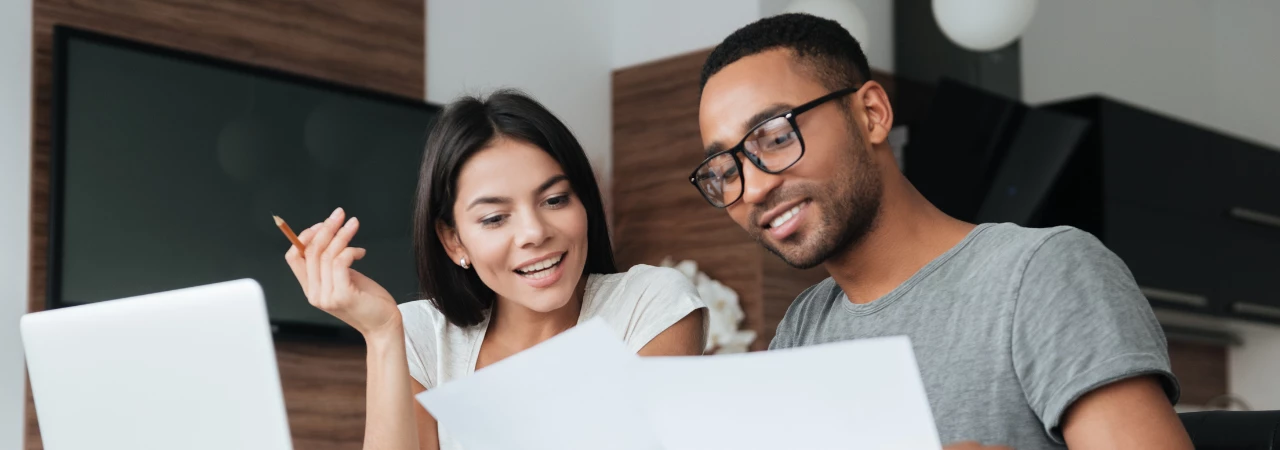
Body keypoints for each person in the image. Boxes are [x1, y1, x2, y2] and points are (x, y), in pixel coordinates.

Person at [691, 13, 1192, 449]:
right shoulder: (804, 327)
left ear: (871, 115)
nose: (754, 189)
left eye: (777, 137)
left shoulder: (1042, 272)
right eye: (726, 170)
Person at [285, 90, 708, 450]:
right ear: (454, 241)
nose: (534, 232)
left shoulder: (650, 304)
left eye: (555, 200)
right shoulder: (422, 337)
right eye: (494, 218)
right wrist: (381, 334)